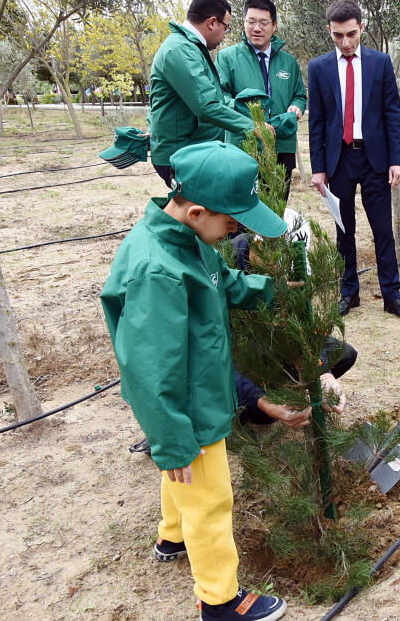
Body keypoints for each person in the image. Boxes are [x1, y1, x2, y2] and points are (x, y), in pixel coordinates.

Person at [100, 141, 290, 621]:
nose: (237, 231)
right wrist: (171, 439)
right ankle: (221, 600)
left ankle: (172, 535)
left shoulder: (188, 241)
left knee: (182, 482)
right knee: (209, 497)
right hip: (188, 403)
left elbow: (224, 282)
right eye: (232, 222)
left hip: (196, 390)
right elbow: (148, 371)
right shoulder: (158, 271)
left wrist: (270, 292)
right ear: (198, 210)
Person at [308, 0, 400, 321]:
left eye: (351, 34)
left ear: (362, 27)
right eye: (338, 35)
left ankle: (391, 295)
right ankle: (348, 294)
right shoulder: (318, 68)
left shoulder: (381, 63)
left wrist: (398, 159)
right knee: (344, 232)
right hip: (338, 160)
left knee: (383, 230)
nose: (345, 42)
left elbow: (392, 112)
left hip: (375, 160)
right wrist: (318, 168)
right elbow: (316, 121)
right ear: (329, 30)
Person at [147, 0, 273, 188]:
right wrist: (253, 126)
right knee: (202, 216)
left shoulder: (190, 48)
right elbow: (206, 106)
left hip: (194, 151)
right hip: (182, 155)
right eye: (226, 28)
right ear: (212, 22)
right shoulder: (180, 50)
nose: (225, 35)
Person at [217, 0, 307, 197]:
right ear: (244, 23)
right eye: (251, 21)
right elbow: (220, 98)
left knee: (277, 207)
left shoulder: (289, 62)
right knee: (241, 212)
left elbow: (299, 94)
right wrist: (251, 119)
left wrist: (296, 106)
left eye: (263, 22)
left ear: (274, 26)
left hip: (281, 144)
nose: (256, 28)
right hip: (243, 144)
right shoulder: (227, 57)